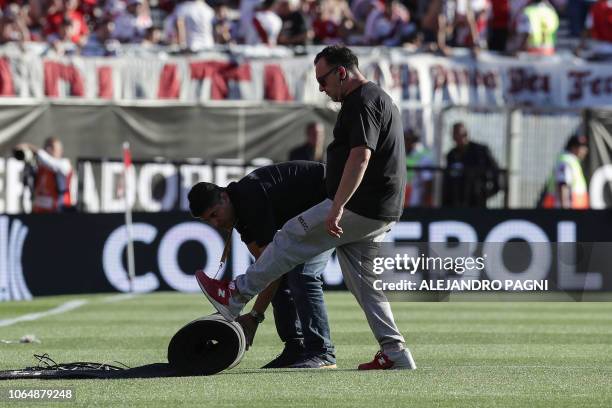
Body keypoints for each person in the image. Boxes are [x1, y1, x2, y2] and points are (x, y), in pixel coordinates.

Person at [196, 45, 416, 370]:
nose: (321, 88)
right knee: (366, 287)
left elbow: (361, 155)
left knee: (287, 237)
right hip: (380, 208)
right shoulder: (376, 98)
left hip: (360, 205)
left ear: (341, 72)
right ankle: (396, 353)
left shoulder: (362, 101)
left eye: (323, 80)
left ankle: (235, 295)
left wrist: (338, 205)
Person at [188, 161, 336, 369]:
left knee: (302, 274)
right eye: (208, 221)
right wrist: (253, 316)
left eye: (214, 214)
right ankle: (296, 348)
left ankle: (322, 353)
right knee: (285, 272)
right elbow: (267, 268)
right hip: (322, 207)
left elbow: (271, 269)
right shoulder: (240, 210)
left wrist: (255, 317)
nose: (215, 224)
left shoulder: (249, 199)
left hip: (336, 200)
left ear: (224, 196)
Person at [442, 122, 501, 207]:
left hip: (477, 200)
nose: (456, 139)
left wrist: (489, 191)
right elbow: (449, 179)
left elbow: (495, 170)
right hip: (457, 201)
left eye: (459, 135)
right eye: (454, 136)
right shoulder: (451, 154)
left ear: (465, 134)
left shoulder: (480, 151)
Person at [14, 137, 74, 213]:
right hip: (40, 212)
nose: (49, 150)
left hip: (59, 211)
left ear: (61, 151)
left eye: (52, 148)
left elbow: (50, 163)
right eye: (47, 147)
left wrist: (30, 147)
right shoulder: (40, 168)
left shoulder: (64, 164)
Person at [541, 134, 589, 209]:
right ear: (573, 148)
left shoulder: (572, 162)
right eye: (582, 147)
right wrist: (565, 212)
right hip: (565, 212)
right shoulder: (567, 161)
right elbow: (563, 185)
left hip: (575, 212)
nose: (585, 150)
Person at [404, 128, 434, 208]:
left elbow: (428, 182)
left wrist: (425, 202)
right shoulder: (401, 154)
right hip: (402, 198)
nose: (405, 142)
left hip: (416, 199)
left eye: (408, 139)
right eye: (404, 139)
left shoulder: (423, 157)